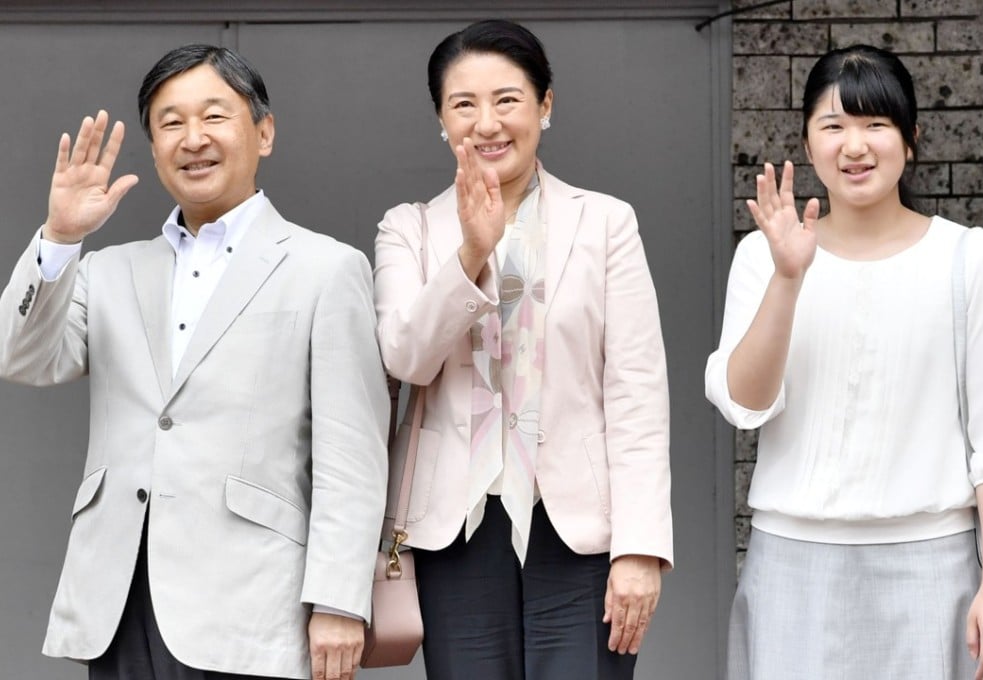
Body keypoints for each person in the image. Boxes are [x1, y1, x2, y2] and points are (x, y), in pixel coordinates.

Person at [0, 44, 388, 680]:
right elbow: (22, 357)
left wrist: (341, 600)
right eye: (171, 123)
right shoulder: (108, 269)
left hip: (253, 603)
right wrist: (60, 239)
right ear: (153, 149)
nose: (193, 138)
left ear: (263, 132)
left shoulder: (326, 268)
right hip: (120, 596)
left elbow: (353, 456)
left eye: (215, 116)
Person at [706, 44, 983, 680]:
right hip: (794, 566)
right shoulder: (764, 258)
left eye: (875, 124)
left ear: (910, 141)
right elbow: (746, 403)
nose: (855, 145)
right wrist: (789, 278)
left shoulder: (969, 259)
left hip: (936, 567)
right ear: (807, 141)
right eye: (834, 125)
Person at [373, 18, 672, 680]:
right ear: (441, 121)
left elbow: (636, 392)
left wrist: (641, 547)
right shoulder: (410, 229)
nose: (488, 123)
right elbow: (407, 357)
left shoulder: (605, 223)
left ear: (545, 105)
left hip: (577, 533)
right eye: (464, 105)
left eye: (507, 99)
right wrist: (473, 251)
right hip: (457, 531)